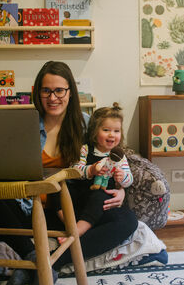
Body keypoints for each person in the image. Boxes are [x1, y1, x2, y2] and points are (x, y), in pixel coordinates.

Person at [2, 61, 138, 285]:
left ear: (70, 93)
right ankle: (32, 255)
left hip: (70, 207)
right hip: (30, 206)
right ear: (37, 92)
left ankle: (45, 264)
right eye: (46, 90)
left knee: (127, 220)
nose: (53, 97)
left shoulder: (86, 124)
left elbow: (110, 157)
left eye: (59, 90)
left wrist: (122, 189)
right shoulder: (24, 124)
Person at [57, 103, 134, 242]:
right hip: (80, 194)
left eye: (116, 131)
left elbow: (129, 179)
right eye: (106, 130)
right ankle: (70, 225)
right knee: (57, 188)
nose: (112, 134)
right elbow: (74, 170)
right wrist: (91, 170)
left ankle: (78, 231)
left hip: (99, 198)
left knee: (100, 196)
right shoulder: (85, 149)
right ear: (94, 131)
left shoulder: (119, 156)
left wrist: (123, 178)